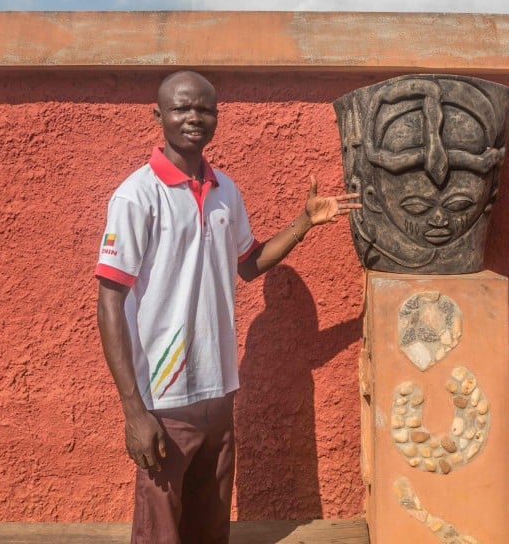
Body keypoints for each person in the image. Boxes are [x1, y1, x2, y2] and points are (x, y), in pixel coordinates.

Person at [95, 70, 360, 544]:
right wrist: (134, 411)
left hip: (218, 393)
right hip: (163, 402)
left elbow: (249, 263)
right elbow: (110, 301)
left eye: (205, 108)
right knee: (160, 533)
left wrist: (304, 223)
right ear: (158, 116)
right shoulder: (137, 196)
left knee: (210, 530)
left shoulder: (226, 192)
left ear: (217, 117)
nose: (194, 117)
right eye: (181, 107)